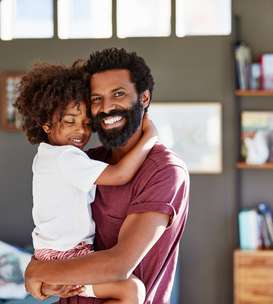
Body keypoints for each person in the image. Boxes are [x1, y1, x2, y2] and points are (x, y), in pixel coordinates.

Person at [25, 48, 190, 304]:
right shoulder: (89, 159)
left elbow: (119, 264)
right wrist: (44, 285)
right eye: (96, 98)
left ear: (144, 98)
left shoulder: (164, 171)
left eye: (119, 94)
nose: (107, 106)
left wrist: (36, 271)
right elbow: (43, 277)